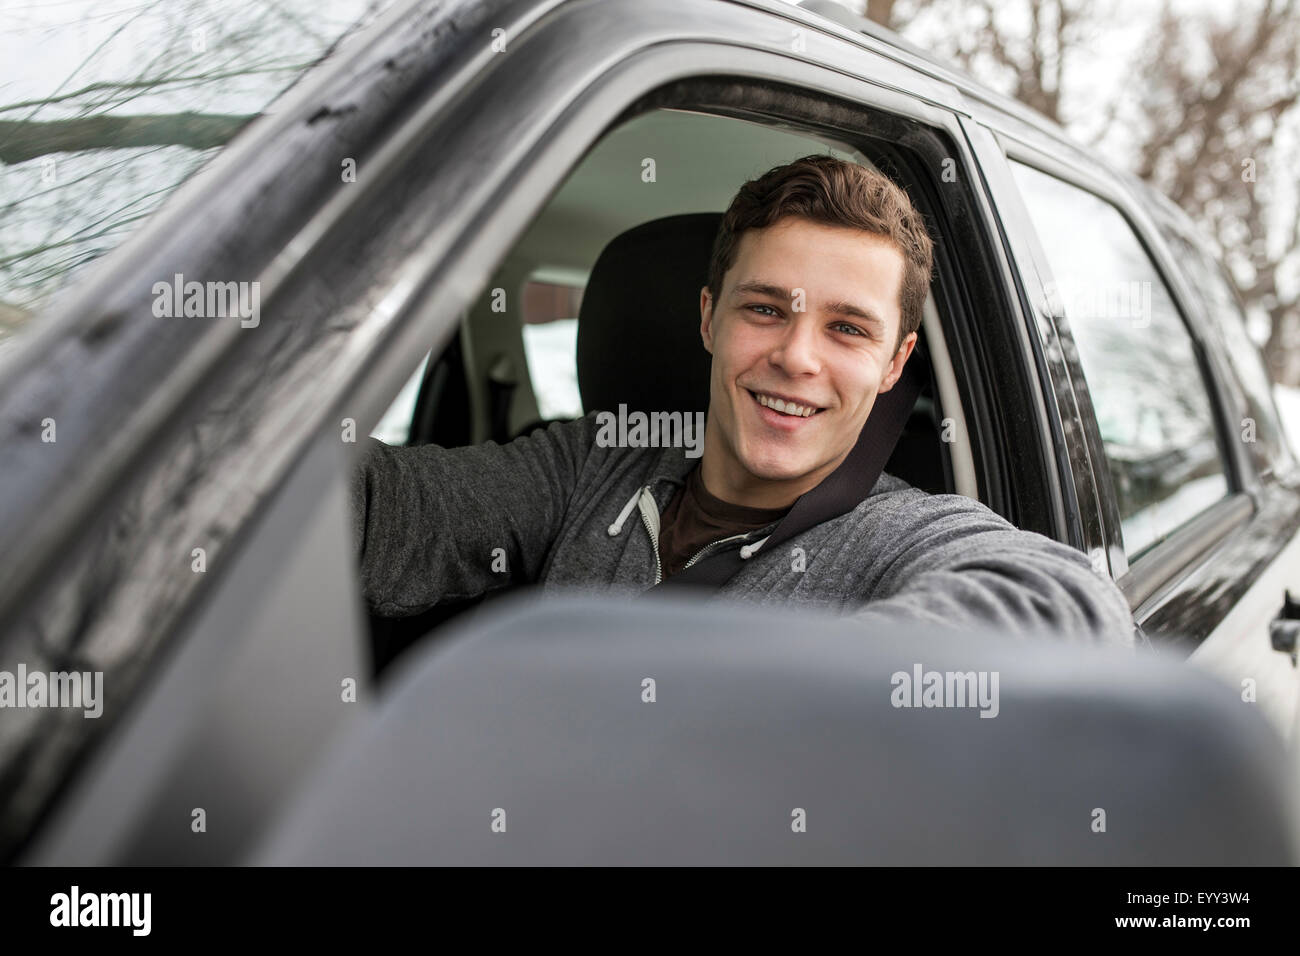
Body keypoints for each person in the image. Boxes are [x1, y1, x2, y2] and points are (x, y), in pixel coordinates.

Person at [349, 155, 1135, 646]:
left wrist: (831, 691)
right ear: (708, 319)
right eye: (765, 309)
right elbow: (392, 511)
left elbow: (1068, 604)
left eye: (847, 329)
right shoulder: (594, 463)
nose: (796, 357)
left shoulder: (899, 533)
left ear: (894, 364)